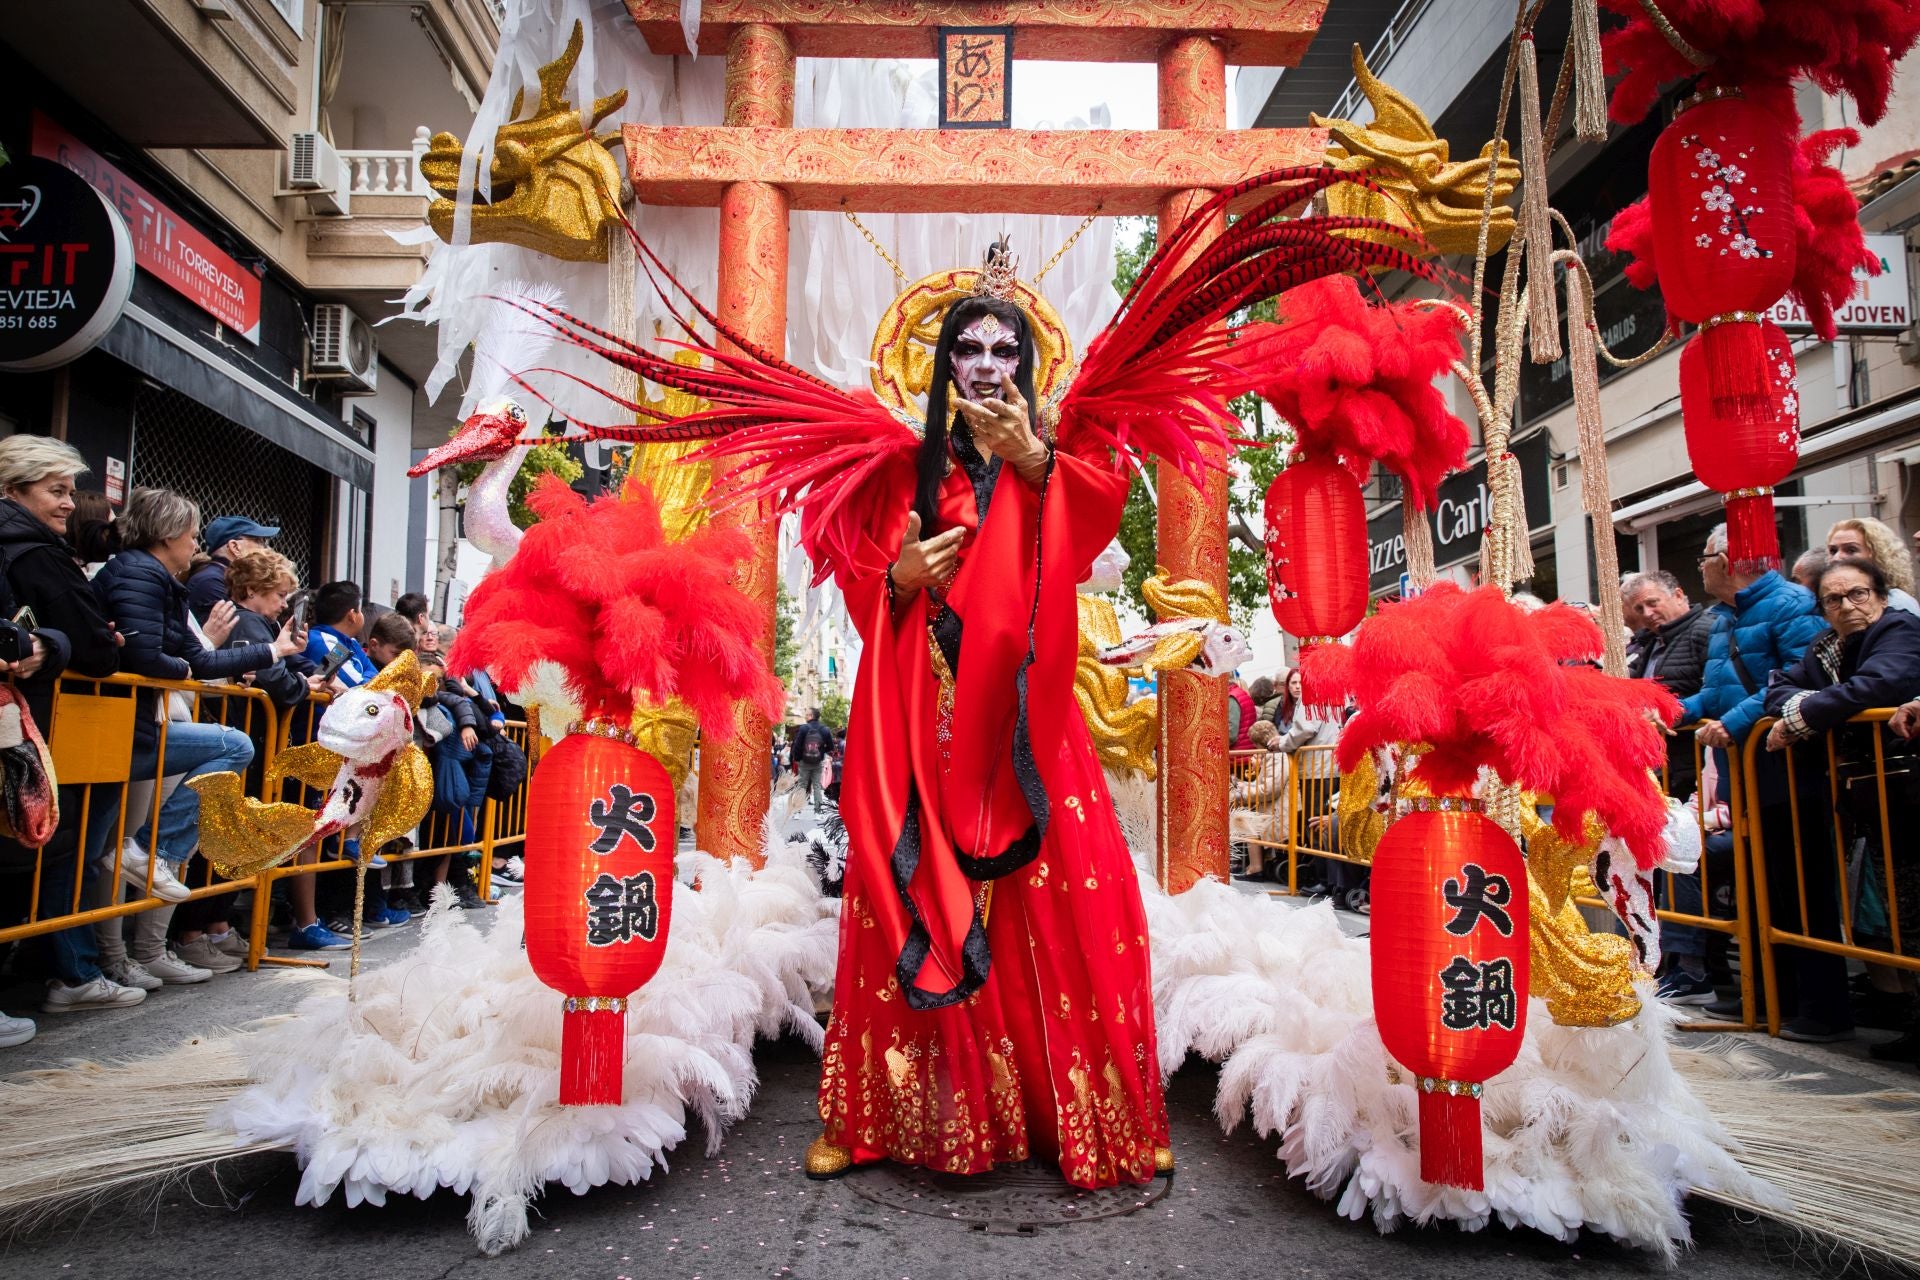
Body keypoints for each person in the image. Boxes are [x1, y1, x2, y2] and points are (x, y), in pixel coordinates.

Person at [93, 488, 307, 964]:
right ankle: (98, 957)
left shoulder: (162, 578)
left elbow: (196, 657)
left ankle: (134, 930)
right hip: (128, 722)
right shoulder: (141, 574)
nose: (195, 544)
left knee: (105, 848)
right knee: (96, 849)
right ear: (168, 534)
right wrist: (191, 665)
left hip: (150, 719)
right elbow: (159, 657)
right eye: (191, 534)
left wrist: (276, 652)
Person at [1682, 523, 1849, 1040]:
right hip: (1745, 775)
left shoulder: (1791, 605)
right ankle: (1767, 997)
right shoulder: (1722, 619)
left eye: (1706, 557)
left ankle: (1821, 1008)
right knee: (1759, 891)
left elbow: (1795, 683)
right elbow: (1714, 694)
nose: (1703, 567)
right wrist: (1661, 710)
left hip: (1789, 769)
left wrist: (1732, 725)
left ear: (1732, 559)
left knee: (1801, 886)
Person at [1764, 557, 1920, 1057]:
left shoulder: (1899, 629)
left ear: (1880, 595)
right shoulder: (1826, 646)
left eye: (1858, 594)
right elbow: (1776, 688)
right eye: (1834, 599)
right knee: (1901, 913)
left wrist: (1804, 716)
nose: (1848, 606)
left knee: (1912, 907)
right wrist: (1822, 705)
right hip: (1873, 797)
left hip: (1907, 787)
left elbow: (1881, 684)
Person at [0, 437, 127, 1027]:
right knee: (34, 852)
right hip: (26, 730)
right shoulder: (33, 553)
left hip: (30, 722)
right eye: (55, 491)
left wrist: (53, 644)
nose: (69, 504)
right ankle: (65, 970)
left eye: (69, 491)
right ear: (14, 491)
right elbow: (98, 646)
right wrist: (67, 643)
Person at [1620, 569, 1717, 798]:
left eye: (1652, 603)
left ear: (1679, 595)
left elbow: (1715, 691)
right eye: (1639, 609)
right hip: (1661, 765)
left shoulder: (1705, 630)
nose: (1648, 613)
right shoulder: (1651, 642)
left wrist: (1671, 711)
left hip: (1691, 762)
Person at [186, 514, 279, 622]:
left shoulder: (224, 576)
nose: (266, 548)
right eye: (258, 541)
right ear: (235, 547)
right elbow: (242, 628)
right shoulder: (212, 581)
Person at [1826, 518, 1920, 615]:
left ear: (1878, 556)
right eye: (1833, 551)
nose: (1836, 558)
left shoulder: (1897, 602)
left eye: (1851, 550)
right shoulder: (1831, 602)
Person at [302, 581, 379, 687]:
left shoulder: (350, 641)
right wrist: (368, 677)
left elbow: (375, 675)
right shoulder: (323, 642)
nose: (362, 615)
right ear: (352, 615)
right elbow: (360, 688)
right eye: (360, 611)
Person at [789, 708, 835, 812]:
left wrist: (797, 758)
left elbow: (797, 745)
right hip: (818, 762)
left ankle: (797, 811)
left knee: (801, 786)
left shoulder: (803, 728)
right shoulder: (825, 729)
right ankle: (818, 812)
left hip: (804, 762)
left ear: (811, 716)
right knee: (817, 786)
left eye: (806, 714)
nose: (805, 716)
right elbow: (831, 747)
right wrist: (821, 752)